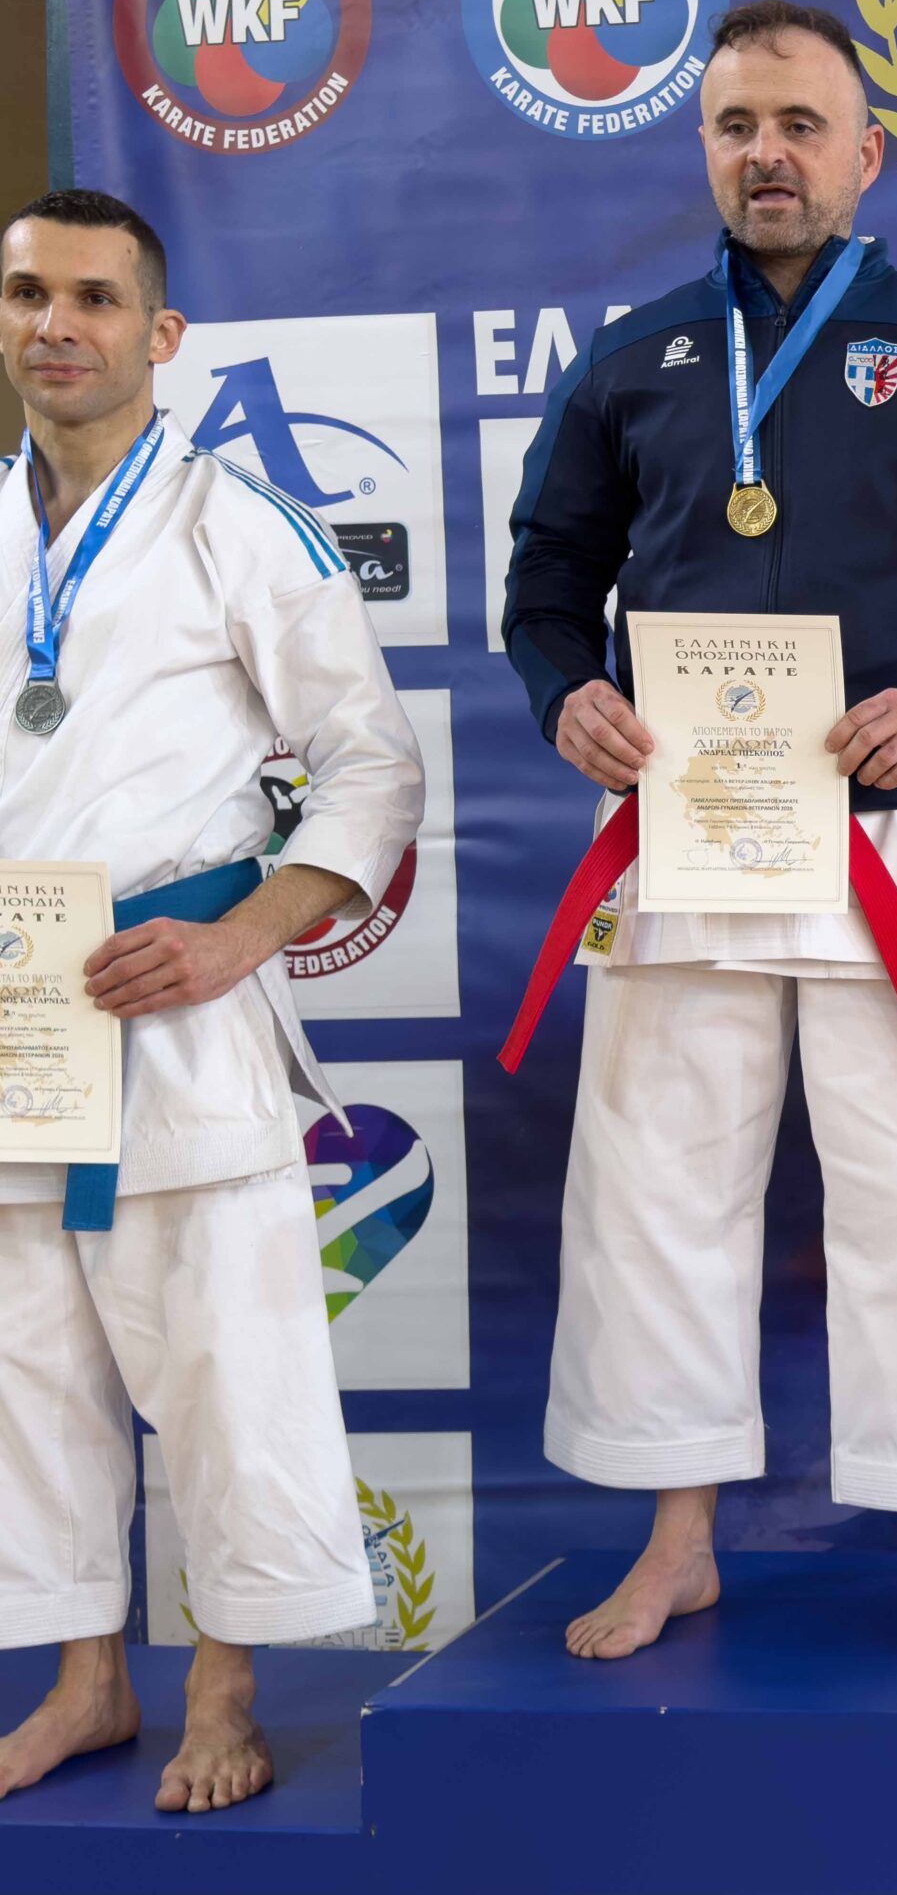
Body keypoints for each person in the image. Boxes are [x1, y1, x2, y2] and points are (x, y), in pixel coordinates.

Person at [500, 0, 897, 1667]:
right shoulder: (632, 360)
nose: (766, 154)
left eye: (798, 125)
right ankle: (678, 1543)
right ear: (706, 148)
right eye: (736, 126)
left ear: (866, 152)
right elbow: (546, 586)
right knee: (659, 1185)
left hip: (892, 829)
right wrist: (567, 697)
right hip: (686, 824)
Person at [0, 190, 424, 1810]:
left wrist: (243, 938)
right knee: (28, 1366)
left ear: (160, 333)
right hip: (21, 1012)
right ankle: (86, 1681)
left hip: (175, 993)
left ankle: (222, 1689)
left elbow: (374, 769)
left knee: (227, 1364)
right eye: (28, 295)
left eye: (94, 298)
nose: (57, 325)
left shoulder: (239, 524)